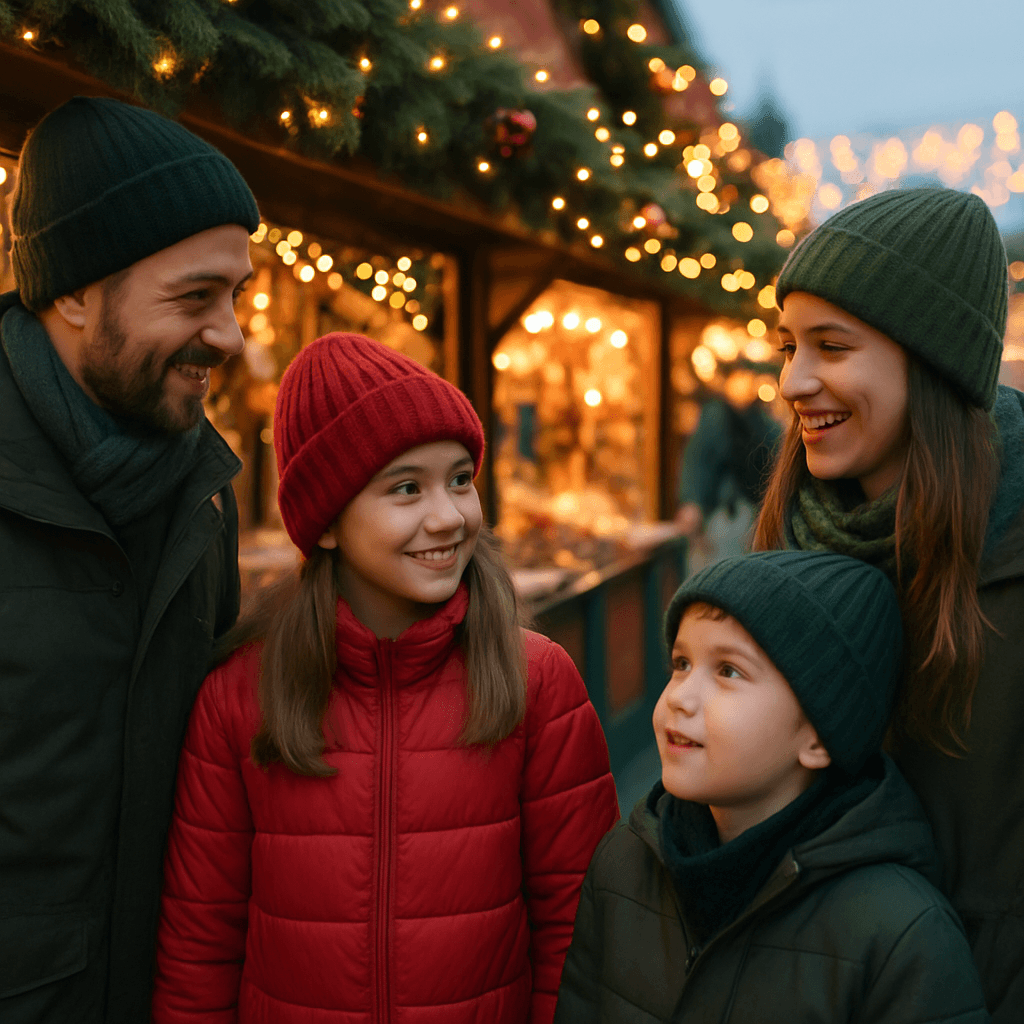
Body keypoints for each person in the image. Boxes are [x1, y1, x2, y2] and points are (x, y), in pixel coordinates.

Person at [150, 332, 620, 1024]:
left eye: (460, 479)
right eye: (406, 488)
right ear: (328, 521)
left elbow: (578, 933)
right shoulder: (240, 696)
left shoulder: (537, 682)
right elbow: (201, 945)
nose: (448, 516)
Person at [0, 97, 259, 1022]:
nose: (231, 335)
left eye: (236, 296)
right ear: (72, 292)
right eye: (195, 297)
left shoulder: (202, 491)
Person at [753, 186, 1023, 1021]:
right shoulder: (787, 542)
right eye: (789, 345)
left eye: (832, 346)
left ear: (932, 361)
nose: (796, 381)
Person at [554, 550, 989, 1023]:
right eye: (681, 663)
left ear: (821, 735)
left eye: (728, 671)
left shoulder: (901, 937)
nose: (680, 697)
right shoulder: (623, 865)